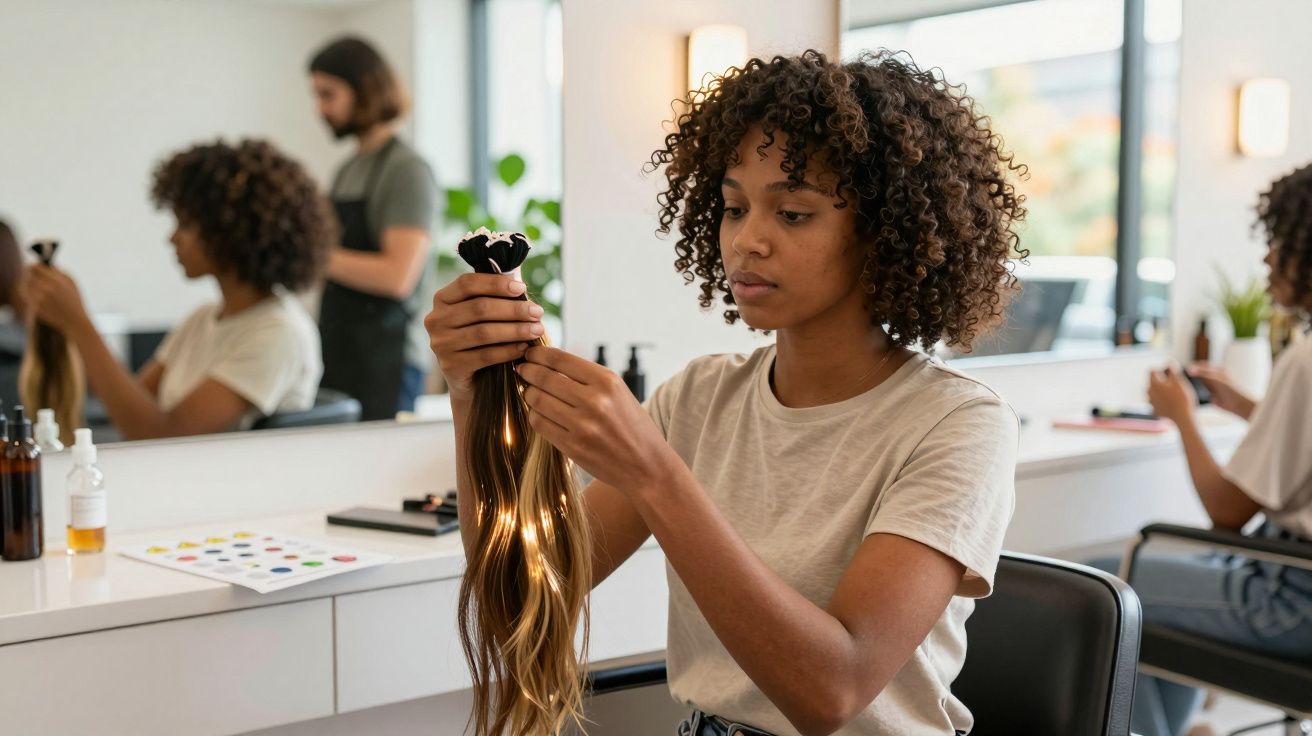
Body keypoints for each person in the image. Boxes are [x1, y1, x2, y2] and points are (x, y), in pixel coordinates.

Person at [428, 50, 1025, 735]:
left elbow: (832, 690)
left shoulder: (956, 424)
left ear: (884, 235)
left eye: (792, 214)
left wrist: (656, 475)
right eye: (735, 207)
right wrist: (472, 397)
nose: (747, 241)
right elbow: (519, 596)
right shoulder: (701, 399)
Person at [1092, 162, 1312, 736]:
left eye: (1277, 244)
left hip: (1293, 599)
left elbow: (1228, 514)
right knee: (1157, 584)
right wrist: (1245, 408)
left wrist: (1181, 417)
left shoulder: (1306, 359)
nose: (1266, 261)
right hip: (1291, 576)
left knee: (1102, 592)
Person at [21, 140, 331, 440]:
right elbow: (131, 402)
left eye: (185, 225)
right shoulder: (203, 319)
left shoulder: (277, 335)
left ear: (228, 232)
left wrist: (80, 324)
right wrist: (64, 320)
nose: (173, 238)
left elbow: (159, 434)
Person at [309, 36, 439, 420]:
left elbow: (397, 276)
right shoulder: (348, 170)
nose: (320, 108)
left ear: (364, 90)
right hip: (339, 351)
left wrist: (315, 257)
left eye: (328, 94)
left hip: (388, 362)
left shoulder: (406, 170)